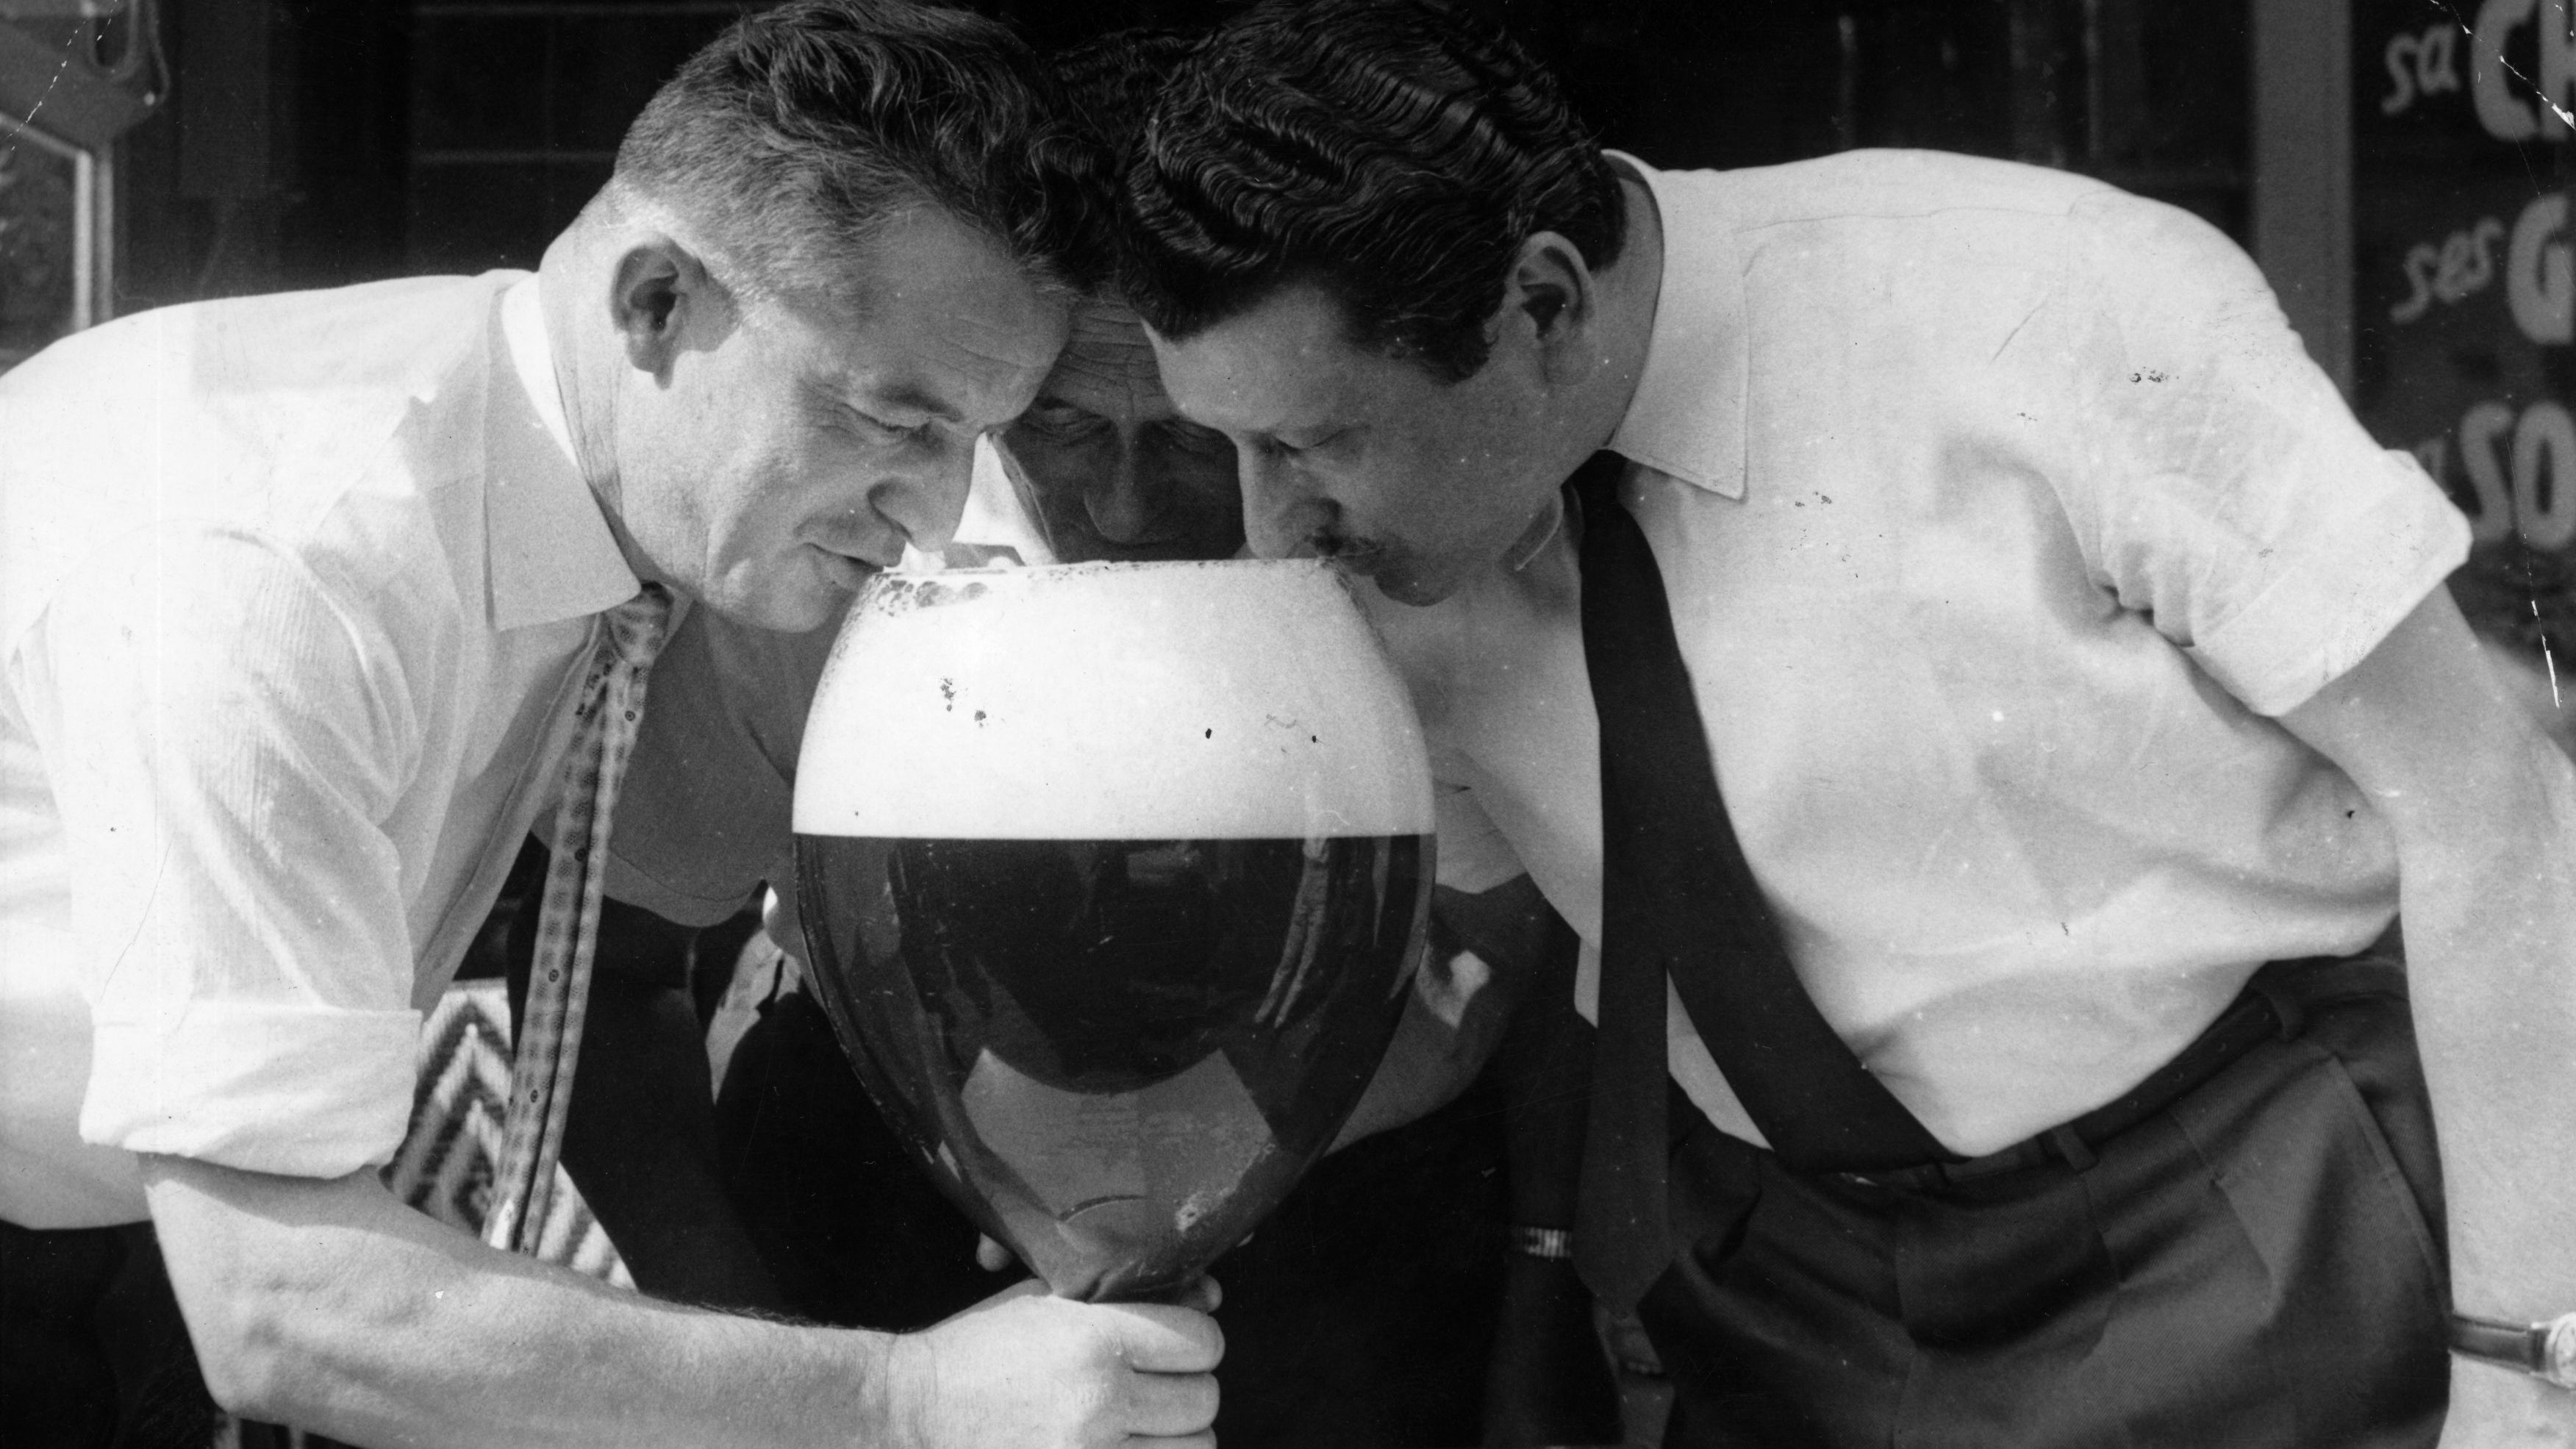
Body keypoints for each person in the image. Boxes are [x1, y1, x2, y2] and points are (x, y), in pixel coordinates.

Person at [1113, 1, 2576, 1445]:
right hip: (1795, 1289)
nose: (1269, 532)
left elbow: (2493, 802)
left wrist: (2524, 1374)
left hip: (2258, 1209)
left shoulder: (2043, 300)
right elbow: (1460, 964)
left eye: (1314, 442)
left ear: (1543, 304)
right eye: (1222, 444)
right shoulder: (1372, 560)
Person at [0, 4, 1229, 1446]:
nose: (935, 513)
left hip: (145, 1222)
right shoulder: (285, 551)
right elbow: (284, 1303)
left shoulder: (568, 484)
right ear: (656, 302)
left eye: (976, 437)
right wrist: (909, 1399)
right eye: (893, 419)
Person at [589, 29, 1620, 1448]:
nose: (1131, 505)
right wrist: (763, 1370)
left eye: (1198, 438)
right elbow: (609, 976)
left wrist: (1173, 1184)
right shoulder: (826, 567)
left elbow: (1527, 961)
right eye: (1066, 426)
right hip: (889, 1193)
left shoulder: (1418, 537)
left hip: (1342, 1211)